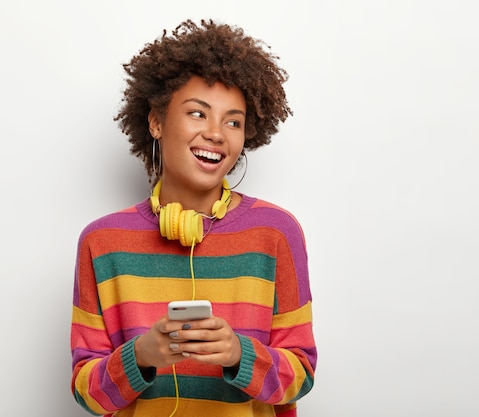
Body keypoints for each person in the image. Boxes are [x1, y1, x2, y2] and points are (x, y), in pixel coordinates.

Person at [70, 19, 316, 417]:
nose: (217, 133)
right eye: (198, 114)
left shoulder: (276, 232)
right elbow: (87, 393)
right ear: (155, 122)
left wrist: (239, 354)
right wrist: (142, 357)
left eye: (233, 121)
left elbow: (302, 376)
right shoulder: (102, 242)